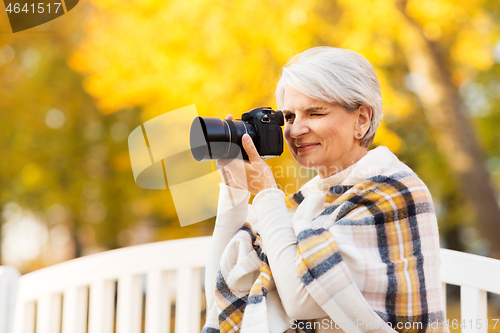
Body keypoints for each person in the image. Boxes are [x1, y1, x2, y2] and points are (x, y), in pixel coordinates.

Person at [203, 47, 449, 333]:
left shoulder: (393, 193)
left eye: (315, 113)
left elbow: (300, 302)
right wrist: (235, 191)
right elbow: (221, 293)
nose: (295, 131)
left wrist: (267, 192)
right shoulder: (309, 201)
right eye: (291, 117)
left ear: (361, 120)